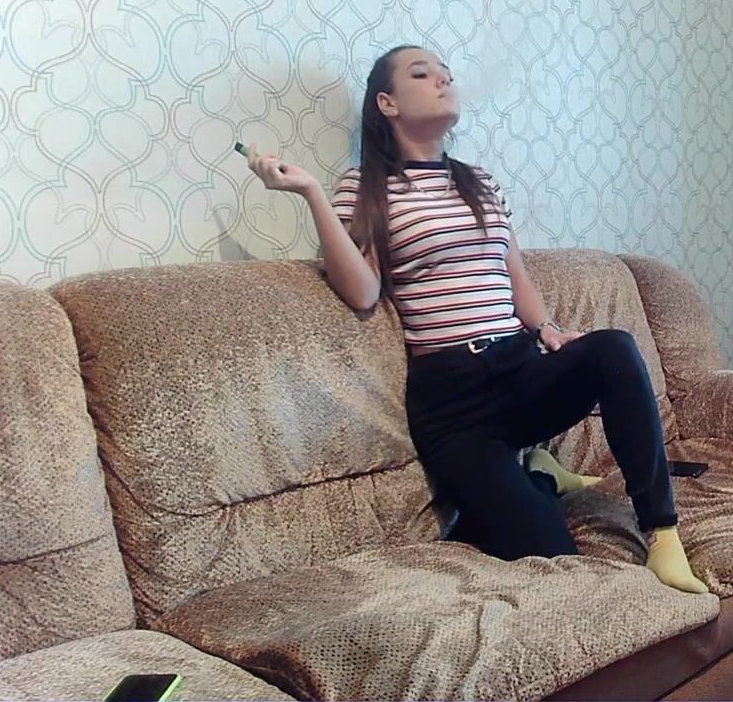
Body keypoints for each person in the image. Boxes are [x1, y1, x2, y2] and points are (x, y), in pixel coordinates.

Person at [244, 44, 707, 594]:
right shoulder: (365, 186)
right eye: (422, 74)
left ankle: (662, 533)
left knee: (614, 349)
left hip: (518, 369)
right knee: (549, 553)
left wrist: (547, 329)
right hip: (454, 405)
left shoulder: (478, 182)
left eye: (446, 73)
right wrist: (311, 194)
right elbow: (362, 292)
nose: (443, 80)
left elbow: (513, 274)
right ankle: (541, 479)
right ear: (387, 103)